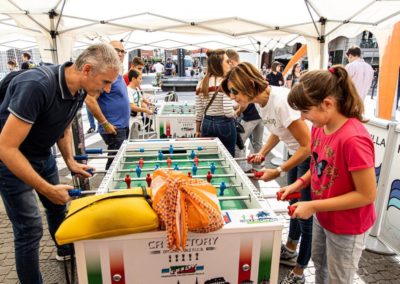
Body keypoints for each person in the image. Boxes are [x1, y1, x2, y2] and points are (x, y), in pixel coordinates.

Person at [0, 43, 120, 284]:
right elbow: (5, 147)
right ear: (87, 69)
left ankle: (66, 251)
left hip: (43, 155)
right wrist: (46, 188)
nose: (107, 90)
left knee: (58, 208)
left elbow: (63, 126)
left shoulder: (80, 90)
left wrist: (70, 162)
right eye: (105, 82)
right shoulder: (37, 86)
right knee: (30, 230)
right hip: (11, 160)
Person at [283, 65, 376, 284]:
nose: (303, 118)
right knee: (320, 266)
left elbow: (366, 195)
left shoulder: (353, 139)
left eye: (306, 111)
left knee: (339, 278)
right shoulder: (319, 127)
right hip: (325, 217)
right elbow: (316, 164)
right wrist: (299, 183)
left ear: (327, 104)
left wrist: (313, 206)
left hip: (348, 226)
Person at [221, 62, 312, 284]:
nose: (233, 97)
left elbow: (308, 145)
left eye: (234, 91)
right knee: (293, 204)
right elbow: (278, 131)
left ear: (249, 85)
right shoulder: (260, 102)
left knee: (305, 213)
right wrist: (261, 152)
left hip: (308, 157)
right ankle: (291, 248)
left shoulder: (281, 102)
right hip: (295, 153)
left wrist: (279, 169)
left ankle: (300, 270)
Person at [85, 40, 130, 170]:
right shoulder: (105, 73)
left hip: (121, 126)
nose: (121, 54)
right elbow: (89, 99)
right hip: (114, 127)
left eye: (123, 51)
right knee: (115, 165)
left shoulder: (116, 73)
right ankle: (108, 191)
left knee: (120, 162)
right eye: (117, 50)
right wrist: (105, 123)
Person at [226, 49, 264, 173]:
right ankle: (256, 168)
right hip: (258, 115)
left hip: (251, 116)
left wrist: (237, 112)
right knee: (258, 143)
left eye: (234, 91)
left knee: (240, 143)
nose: (232, 96)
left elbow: (245, 102)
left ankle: (240, 170)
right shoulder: (245, 72)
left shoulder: (239, 74)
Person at [195, 49, 236, 156]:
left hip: (206, 124)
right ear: (219, 64)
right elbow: (228, 112)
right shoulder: (226, 82)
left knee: (209, 157)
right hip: (224, 124)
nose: (230, 64)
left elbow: (199, 112)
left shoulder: (201, 83)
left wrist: (197, 130)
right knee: (228, 158)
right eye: (227, 62)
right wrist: (236, 112)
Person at [127, 69, 153, 139]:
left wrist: (148, 103)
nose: (141, 81)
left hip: (137, 118)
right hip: (132, 120)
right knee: (133, 139)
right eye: (140, 79)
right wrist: (146, 110)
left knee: (136, 137)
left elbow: (141, 100)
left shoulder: (137, 89)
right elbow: (132, 106)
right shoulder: (128, 91)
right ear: (133, 79)